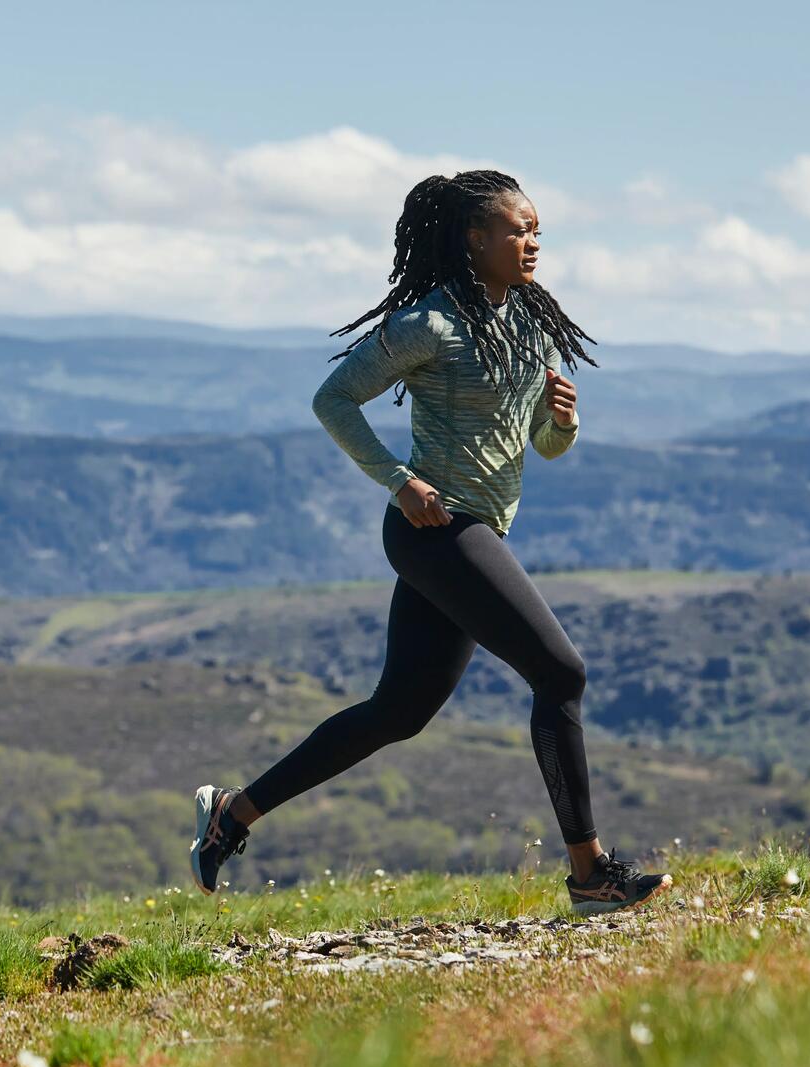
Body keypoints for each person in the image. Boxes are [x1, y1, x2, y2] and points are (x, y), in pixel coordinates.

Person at [189, 168, 673, 916]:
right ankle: (591, 874)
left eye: (537, 229)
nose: (532, 242)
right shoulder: (429, 323)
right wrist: (397, 480)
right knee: (561, 674)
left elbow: (539, 447)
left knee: (398, 712)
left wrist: (564, 423)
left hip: (472, 529)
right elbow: (333, 399)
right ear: (474, 240)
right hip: (436, 529)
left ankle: (233, 813)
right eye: (517, 229)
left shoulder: (530, 323)